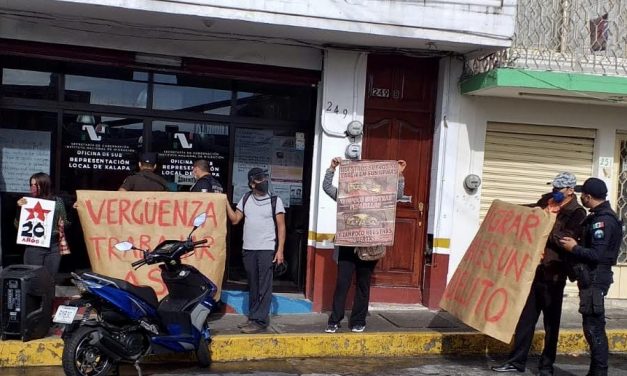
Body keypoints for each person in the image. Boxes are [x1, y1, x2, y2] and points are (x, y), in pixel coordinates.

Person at [492, 172, 586, 375]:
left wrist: (545, 226)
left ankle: (546, 365)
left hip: (554, 273)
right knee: (525, 319)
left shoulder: (576, 212)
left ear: (570, 190)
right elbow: (529, 219)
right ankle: (516, 361)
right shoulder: (546, 200)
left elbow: (566, 239)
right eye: (553, 188)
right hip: (532, 270)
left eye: (558, 189)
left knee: (552, 323)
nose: (554, 192)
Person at [323, 157, 406, 333]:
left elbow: (396, 196)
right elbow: (327, 188)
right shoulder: (345, 196)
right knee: (342, 283)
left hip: (370, 247)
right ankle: (334, 320)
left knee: (363, 284)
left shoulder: (380, 196)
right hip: (347, 246)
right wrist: (332, 169)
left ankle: (358, 321)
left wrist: (399, 175)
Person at [560, 178, 622, 376]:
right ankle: (596, 371)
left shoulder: (602, 221)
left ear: (588, 196)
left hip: (595, 278)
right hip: (592, 278)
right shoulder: (598, 216)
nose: (580, 197)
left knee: (594, 327)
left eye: (582, 194)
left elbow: (598, 255)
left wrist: (574, 248)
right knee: (592, 325)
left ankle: (599, 372)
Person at [226, 167, 286, 334]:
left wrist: (279, 250)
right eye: (259, 179)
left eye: (265, 178)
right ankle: (253, 317)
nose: (264, 181)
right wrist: (224, 201)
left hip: (266, 248)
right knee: (253, 284)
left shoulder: (275, 201)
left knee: (264, 286)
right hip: (248, 249)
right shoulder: (245, 198)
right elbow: (235, 220)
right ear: (252, 183)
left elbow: (281, 227)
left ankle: (260, 320)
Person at [16, 172, 69, 278]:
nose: (33, 188)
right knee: (33, 279)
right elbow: (18, 225)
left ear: (45, 185)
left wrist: (62, 223)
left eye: (36, 185)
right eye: (31, 185)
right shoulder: (27, 201)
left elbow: (65, 223)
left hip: (53, 247)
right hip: (34, 246)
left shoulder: (57, 201)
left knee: (49, 279)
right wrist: (19, 209)